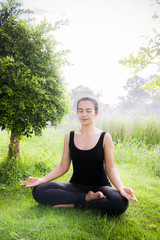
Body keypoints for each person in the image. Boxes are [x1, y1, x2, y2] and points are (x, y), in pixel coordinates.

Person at [21, 97, 138, 215]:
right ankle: (86, 198)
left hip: (100, 187)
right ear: (77, 113)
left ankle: (76, 203)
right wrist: (42, 179)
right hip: (75, 185)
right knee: (39, 191)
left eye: (88, 110)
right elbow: (63, 166)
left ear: (96, 114)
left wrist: (121, 188)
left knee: (120, 202)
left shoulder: (105, 137)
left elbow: (110, 168)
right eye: (80, 110)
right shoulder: (70, 136)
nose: (84, 114)